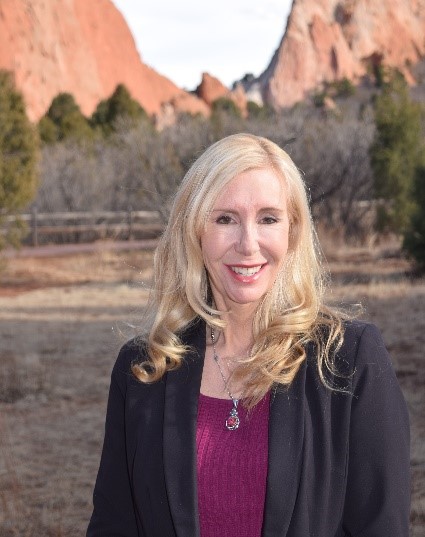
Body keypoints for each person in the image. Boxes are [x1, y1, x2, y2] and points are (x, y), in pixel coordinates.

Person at [87, 133, 410, 537]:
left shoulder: (349, 360)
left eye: (268, 218)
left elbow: (382, 526)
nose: (248, 244)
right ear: (194, 232)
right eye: (225, 219)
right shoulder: (144, 369)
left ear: (292, 231)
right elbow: (114, 524)